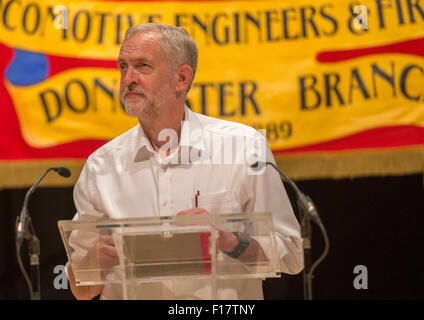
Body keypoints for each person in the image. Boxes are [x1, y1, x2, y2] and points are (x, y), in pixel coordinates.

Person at [67, 23, 303, 300]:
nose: (128, 78)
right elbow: (81, 290)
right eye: (123, 66)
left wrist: (228, 241)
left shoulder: (243, 147)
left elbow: (292, 255)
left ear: (181, 78)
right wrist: (91, 265)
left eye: (142, 66)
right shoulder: (101, 166)